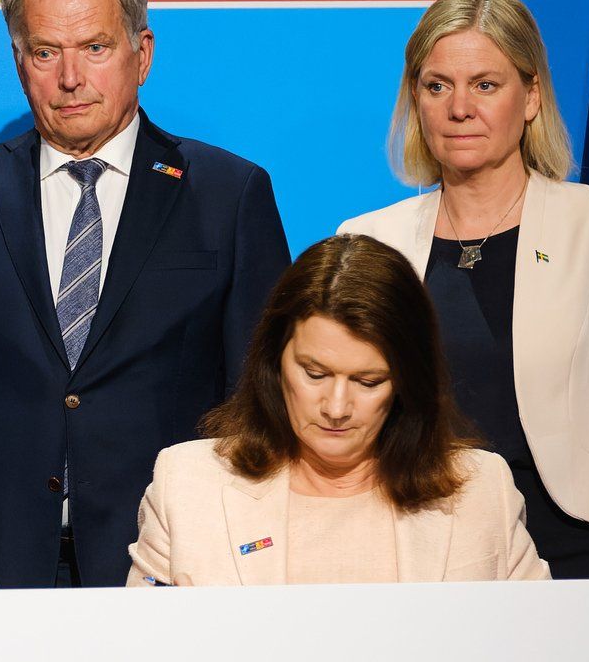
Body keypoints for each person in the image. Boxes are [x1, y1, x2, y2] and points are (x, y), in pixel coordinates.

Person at [0, 0, 290, 587]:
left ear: (141, 53)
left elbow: (261, 404)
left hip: (169, 560)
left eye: (95, 48)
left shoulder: (228, 195)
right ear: (19, 60)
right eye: (46, 52)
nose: (70, 78)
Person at [338, 0, 589, 577]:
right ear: (415, 101)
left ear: (531, 96)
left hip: (568, 544)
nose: (459, 107)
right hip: (416, 551)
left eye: (485, 85)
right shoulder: (368, 242)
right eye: (437, 86)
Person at [128, 235, 548, 586]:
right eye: (315, 374)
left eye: (368, 382)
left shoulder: (480, 491)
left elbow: (538, 651)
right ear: (275, 363)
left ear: (406, 381)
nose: (336, 408)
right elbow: (145, 658)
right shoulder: (188, 486)